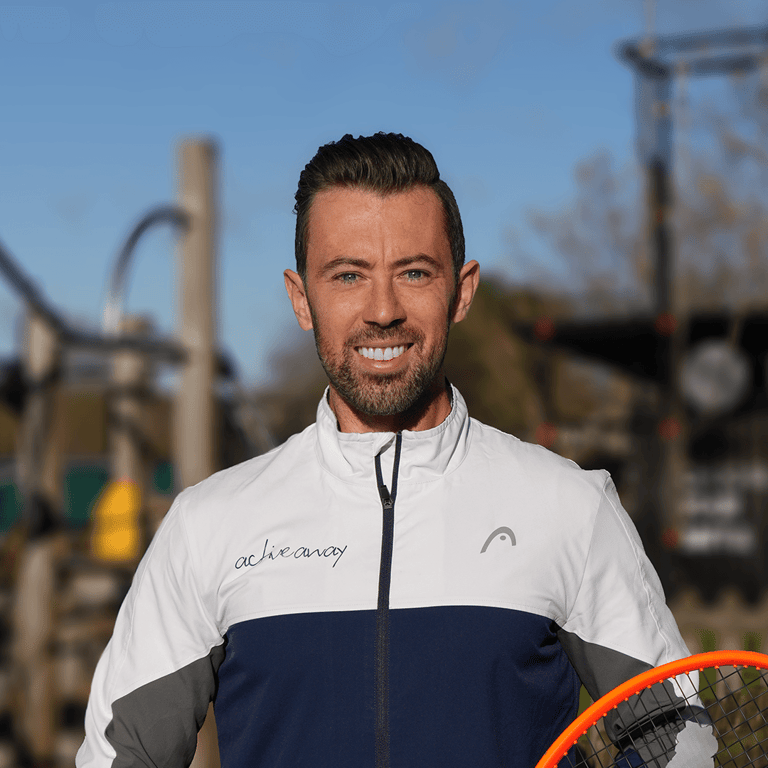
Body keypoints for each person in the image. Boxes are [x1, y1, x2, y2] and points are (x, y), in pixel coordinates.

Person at [78, 132, 693, 768]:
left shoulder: (570, 508)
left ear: (461, 291)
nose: (382, 311)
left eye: (415, 273)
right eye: (347, 275)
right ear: (301, 299)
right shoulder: (208, 524)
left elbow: (678, 745)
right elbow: (119, 757)